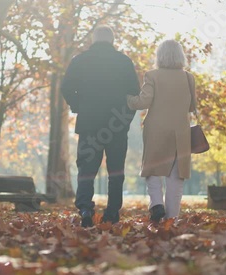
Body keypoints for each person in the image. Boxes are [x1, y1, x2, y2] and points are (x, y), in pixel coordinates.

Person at [61, 26, 140, 227]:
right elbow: (134, 94)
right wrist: (125, 118)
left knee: (86, 169)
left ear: (93, 40)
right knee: (116, 171)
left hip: (89, 123)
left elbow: (66, 88)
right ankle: (112, 212)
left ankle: (85, 208)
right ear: (112, 41)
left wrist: (78, 106)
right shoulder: (124, 62)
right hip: (116, 125)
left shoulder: (80, 60)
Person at [127, 39, 197, 222]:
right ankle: (172, 219)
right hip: (180, 132)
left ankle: (157, 204)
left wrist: (127, 99)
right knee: (176, 177)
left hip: (156, 130)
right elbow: (192, 106)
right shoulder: (189, 78)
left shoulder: (152, 75)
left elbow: (143, 102)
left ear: (160, 56)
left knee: (152, 170)